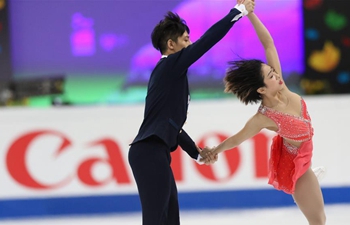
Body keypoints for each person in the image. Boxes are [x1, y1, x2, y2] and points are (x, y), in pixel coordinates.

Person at [128, 1, 255, 224]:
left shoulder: (171, 74)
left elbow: (169, 123)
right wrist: (237, 11)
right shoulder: (169, 65)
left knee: (170, 219)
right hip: (149, 152)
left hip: (154, 153)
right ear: (171, 44)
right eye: (186, 39)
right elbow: (208, 41)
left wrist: (196, 153)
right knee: (156, 219)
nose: (191, 43)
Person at [201, 11, 327, 225]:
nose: (277, 75)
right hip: (298, 166)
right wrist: (214, 151)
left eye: (273, 71)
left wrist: (249, 14)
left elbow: (268, 43)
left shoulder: (282, 88)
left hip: (307, 153)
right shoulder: (264, 118)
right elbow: (237, 139)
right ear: (261, 89)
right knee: (318, 221)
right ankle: (305, 185)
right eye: (271, 75)